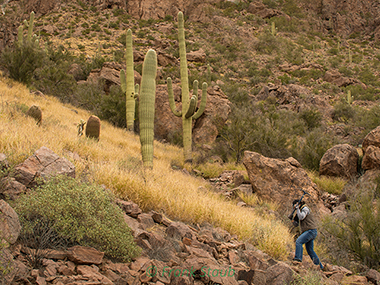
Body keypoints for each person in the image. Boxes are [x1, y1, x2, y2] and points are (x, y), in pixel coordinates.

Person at [291, 199, 323, 270]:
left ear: (297, 204)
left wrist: (297, 209)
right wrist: (293, 220)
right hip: (311, 231)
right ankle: (320, 267)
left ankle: (298, 259)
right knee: (310, 250)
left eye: (294, 206)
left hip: (310, 231)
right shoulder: (301, 210)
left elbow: (301, 217)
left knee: (299, 241)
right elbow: (297, 223)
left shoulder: (305, 208)